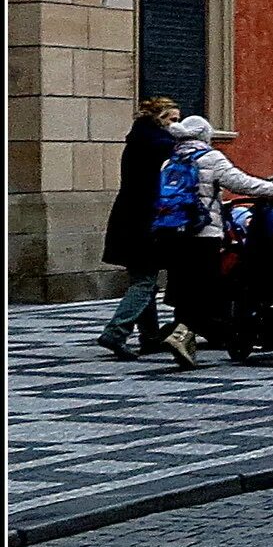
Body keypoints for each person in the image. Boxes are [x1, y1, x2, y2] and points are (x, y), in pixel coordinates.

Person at [158, 117, 273, 368]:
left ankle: (184, 339)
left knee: (184, 287)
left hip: (174, 234)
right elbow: (240, 182)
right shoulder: (210, 158)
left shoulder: (170, 161)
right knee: (206, 289)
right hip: (204, 234)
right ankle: (181, 335)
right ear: (205, 136)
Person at [97, 97, 181, 359]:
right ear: (159, 118)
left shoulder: (139, 139)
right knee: (145, 281)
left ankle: (150, 336)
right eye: (172, 120)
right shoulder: (160, 144)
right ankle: (116, 332)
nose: (175, 125)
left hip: (128, 216)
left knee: (145, 280)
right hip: (145, 219)